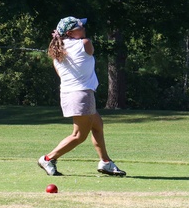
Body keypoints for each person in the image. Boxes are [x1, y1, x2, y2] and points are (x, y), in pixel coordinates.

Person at [38, 17, 126, 178]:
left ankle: (105, 162)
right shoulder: (85, 43)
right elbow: (90, 52)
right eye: (79, 26)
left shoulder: (57, 51)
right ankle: (48, 158)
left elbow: (61, 74)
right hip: (81, 94)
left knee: (98, 125)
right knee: (79, 135)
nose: (83, 28)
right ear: (70, 32)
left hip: (72, 94)